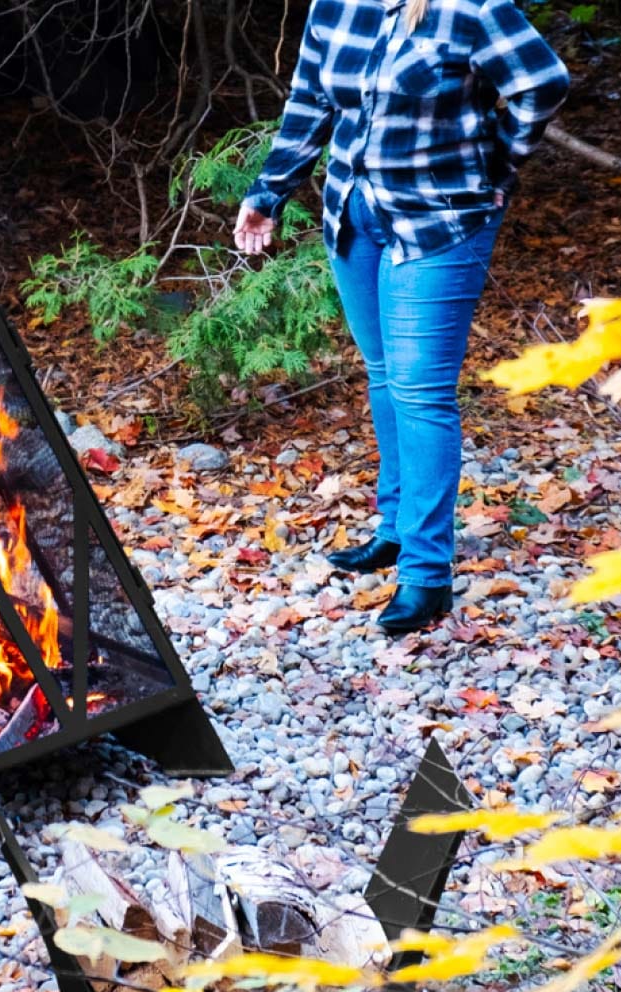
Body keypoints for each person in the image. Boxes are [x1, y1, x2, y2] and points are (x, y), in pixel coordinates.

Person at [234, 0, 568, 635]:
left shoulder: (472, 9)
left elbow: (541, 83)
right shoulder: (333, 6)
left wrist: (498, 161)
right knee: (384, 374)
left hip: (440, 220)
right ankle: (393, 529)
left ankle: (426, 575)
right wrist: (269, 191)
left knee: (420, 391)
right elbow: (310, 99)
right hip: (353, 214)